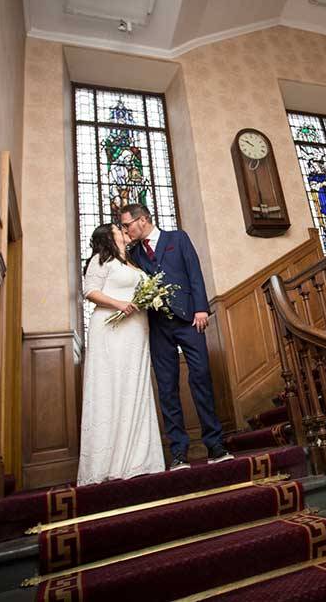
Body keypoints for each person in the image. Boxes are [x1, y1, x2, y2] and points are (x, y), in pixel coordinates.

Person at [119, 203, 233, 470]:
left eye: (127, 224)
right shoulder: (133, 252)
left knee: (201, 377)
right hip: (158, 326)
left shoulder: (177, 238)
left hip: (190, 321)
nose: (125, 229)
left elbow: (194, 272)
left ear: (143, 219)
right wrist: (124, 243)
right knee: (167, 388)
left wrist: (202, 308)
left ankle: (215, 444)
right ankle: (179, 451)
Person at [78, 223, 165, 485]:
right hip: (111, 328)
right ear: (109, 236)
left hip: (136, 330)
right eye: (118, 228)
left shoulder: (132, 262)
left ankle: (140, 458)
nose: (123, 230)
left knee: (134, 387)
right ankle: (109, 461)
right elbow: (89, 291)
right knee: (112, 387)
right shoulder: (100, 260)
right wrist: (120, 304)